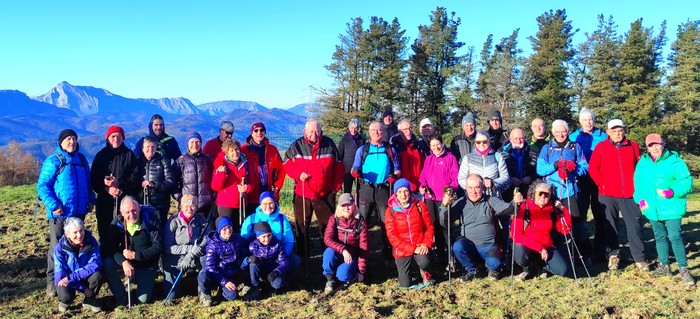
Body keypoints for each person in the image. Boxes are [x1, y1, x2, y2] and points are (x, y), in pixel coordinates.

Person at [37, 129, 95, 297]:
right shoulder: (54, 161)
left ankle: (75, 281)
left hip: (78, 214)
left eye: (74, 139)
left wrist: (91, 200)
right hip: (60, 215)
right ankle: (52, 284)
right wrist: (54, 205)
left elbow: (88, 183)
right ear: (61, 142)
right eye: (69, 139)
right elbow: (42, 186)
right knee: (57, 248)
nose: (72, 142)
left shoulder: (81, 160)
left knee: (78, 247)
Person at [634, 134, 694, 285]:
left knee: (675, 237)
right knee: (659, 237)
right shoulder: (643, 163)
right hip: (652, 208)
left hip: (672, 206)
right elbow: (638, 184)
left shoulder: (675, 161)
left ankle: (683, 269)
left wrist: (672, 191)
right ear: (646, 148)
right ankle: (664, 266)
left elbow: (687, 182)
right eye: (650, 145)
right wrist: (640, 200)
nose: (654, 147)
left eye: (657, 144)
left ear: (663, 144)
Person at [589, 119, 649, 271]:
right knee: (610, 227)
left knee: (634, 226)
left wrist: (638, 186)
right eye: (614, 130)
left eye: (620, 130)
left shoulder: (633, 146)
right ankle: (613, 255)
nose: (617, 133)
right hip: (607, 194)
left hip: (629, 194)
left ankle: (639, 258)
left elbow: (640, 167)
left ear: (624, 130)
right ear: (608, 132)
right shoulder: (601, 147)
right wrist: (601, 184)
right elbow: (593, 168)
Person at [443, 174, 523, 281]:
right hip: (468, 244)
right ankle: (473, 270)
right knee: (457, 247)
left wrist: (515, 203)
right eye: (470, 188)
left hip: (488, 245)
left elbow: (506, 209)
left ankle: (492, 269)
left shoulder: (490, 200)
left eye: (477, 187)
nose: (473, 191)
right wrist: (445, 206)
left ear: (483, 188)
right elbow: (444, 222)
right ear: (465, 188)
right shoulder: (460, 203)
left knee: (495, 263)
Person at [283, 119, 344, 258]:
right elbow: (286, 164)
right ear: (305, 131)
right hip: (303, 193)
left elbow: (339, 166)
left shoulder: (329, 144)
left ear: (321, 131)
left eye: (317, 131)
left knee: (327, 226)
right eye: (311, 131)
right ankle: (303, 255)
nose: (314, 134)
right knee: (301, 225)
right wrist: (298, 174)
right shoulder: (297, 146)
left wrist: (335, 187)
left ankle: (328, 254)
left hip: (325, 193)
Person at [536, 119, 593, 265]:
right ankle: (557, 255)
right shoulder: (547, 148)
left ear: (568, 132)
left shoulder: (575, 147)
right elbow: (540, 169)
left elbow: (585, 167)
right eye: (557, 131)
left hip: (570, 191)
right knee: (553, 225)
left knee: (576, 223)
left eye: (563, 131)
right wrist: (556, 165)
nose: (561, 134)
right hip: (553, 192)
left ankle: (583, 254)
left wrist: (573, 169)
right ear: (553, 133)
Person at [351, 122, 400, 265]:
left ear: (383, 132)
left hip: (384, 189)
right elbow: (355, 167)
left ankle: (388, 254)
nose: (376, 133)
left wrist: (394, 176)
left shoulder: (390, 150)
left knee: (386, 222)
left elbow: (397, 169)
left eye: (379, 130)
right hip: (365, 189)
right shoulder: (363, 149)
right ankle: (362, 255)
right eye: (373, 130)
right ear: (369, 132)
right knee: (362, 222)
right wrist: (355, 172)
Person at [102, 196, 161, 305]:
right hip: (126, 262)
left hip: (145, 263)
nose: (131, 215)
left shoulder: (151, 220)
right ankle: (121, 296)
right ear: (121, 212)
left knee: (142, 300)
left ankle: (140, 279)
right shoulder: (117, 224)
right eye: (127, 212)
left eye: (134, 210)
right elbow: (111, 248)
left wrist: (136, 255)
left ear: (139, 208)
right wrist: (123, 261)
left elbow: (158, 246)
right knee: (107, 263)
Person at [569, 108, 608, 260]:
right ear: (580, 122)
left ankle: (600, 249)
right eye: (585, 120)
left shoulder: (603, 136)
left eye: (590, 119)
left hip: (599, 179)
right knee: (581, 215)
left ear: (594, 120)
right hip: (582, 179)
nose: (588, 122)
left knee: (600, 215)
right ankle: (583, 249)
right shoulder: (574, 136)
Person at [90, 125, 140, 245]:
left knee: (124, 234)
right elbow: (93, 179)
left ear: (123, 138)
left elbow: (136, 177)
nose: (116, 139)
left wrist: (120, 184)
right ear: (107, 138)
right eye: (113, 136)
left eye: (119, 136)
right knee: (105, 233)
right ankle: (106, 260)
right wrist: (106, 188)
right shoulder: (100, 156)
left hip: (125, 203)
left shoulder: (130, 155)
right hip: (104, 202)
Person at [511, 182, 571, 281]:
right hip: (528, 245)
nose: (543, 197)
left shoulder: (552, 210)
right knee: (519, 252)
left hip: (546, 246)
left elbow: (565, 230)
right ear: (533, 193)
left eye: (547, 194)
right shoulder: (523, 207)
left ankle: (541, 265)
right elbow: (516, 235)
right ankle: (527, 267)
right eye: (540, 193)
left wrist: (563, 209)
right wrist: (539, 248)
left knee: (563, 269)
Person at [385, 179, 435, 289]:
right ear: (395, 194)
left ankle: (424, 270)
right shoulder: (390, 211)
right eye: (400, 192)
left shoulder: (420, 205)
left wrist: (426, 244)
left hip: (420, 245)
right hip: (402, 250)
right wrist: (412, 249)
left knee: (424, 261)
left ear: (410, 192)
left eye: (406, 191)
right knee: (405, 284)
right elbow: (392, 237)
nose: (403, 195)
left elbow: (429, 227)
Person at [418, 133, 459, 261]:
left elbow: (455, 178)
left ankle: (450, 254)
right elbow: (423, 176)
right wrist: (422, 185)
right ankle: (440, 253)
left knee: (445, 226)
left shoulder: (450, 158)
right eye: (433, 145)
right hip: (430, 197)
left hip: (444, 198)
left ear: (442, 143)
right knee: (433, 225)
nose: (436, 147)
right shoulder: (429, 159)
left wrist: (449, 191)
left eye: (438, 144)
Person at [162, 194, 209, 299]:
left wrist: (191, 254)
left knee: (206, 260)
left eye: (193, 206)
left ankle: (204, 292)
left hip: (195, 256)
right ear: (181, 207)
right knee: (171, 296)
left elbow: (207, 239)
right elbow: (168, 248)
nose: (190, 209)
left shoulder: (201, 220)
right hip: (175, 259)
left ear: (196, 207)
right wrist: (190, 249)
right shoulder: (172, 222)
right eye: (186, 206)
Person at [241, 192, 301, 273]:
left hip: (277, 253)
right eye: (265, 204)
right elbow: (243, 240)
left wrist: (281, 255)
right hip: (257, 255)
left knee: (295, 261)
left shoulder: (282, 219)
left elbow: (289, 241)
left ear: (275, 203)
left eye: (270, 203)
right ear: (260, 205)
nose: (268, 207)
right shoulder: (251, 219)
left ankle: (282, 278)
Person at [52, 217, 102, 313]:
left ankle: (89, 300)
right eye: (75, 232)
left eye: (81, 231)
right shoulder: (59, 249)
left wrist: (72, 277)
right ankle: (65, 301)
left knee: (97, 275)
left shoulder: (91, 241)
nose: (79, 235)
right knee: (65, 295)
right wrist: (83, 289)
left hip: (81, 276)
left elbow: (95, 264)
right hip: (69, 280)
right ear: (67, 234)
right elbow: (60, 276)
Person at [322, 193, 368, 292]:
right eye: (343, 205)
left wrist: (361, 271)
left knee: (343, 276)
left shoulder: (361, 223)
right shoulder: (334, 219)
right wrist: (343, 250)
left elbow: (364, 248)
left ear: (354, 206)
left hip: (352, 257)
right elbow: (327, 239)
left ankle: (350, 272)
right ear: (339, 207)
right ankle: (329, 279)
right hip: (338, 253)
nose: (346, 208)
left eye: (349, 205)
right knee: (328, 252)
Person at [198, 217, 245, 306]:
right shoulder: (213, 244)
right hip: (216, 274)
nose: (228, 230)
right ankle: (205, 293)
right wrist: (224, 281)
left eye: (229, 227)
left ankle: (222, 292)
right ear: (219, 230)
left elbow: (246, 247)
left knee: (232, 296)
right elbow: (210, 266)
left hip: (231, 272)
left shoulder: (237, 239)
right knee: (203, 275)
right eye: (224, 228)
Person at [240, 121, 285, 214]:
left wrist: (277, 186)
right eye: (255, 131)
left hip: (270, 193)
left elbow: (282, 169)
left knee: (271, 221)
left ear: (265, 132)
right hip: (251, 195)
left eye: (261, 130)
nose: (259, 133)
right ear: (251, 133)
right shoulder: (243, 150)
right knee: (254, 223)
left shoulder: (272, 149)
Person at [242, 221, 290, 300]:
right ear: (258, 237)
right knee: (253, 264)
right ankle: (255, 288)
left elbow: (285, 262)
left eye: (269, 235)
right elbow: (243, 265)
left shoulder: (277, 245)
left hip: (273, 271)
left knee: (278, 283)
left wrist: (277, 271)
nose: (267, 239)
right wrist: (248, 260)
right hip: (259, 270)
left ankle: (273, 287)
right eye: (263, 236)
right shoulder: (252, 247)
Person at [211, 138, 250, 231]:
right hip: (226, 204)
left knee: (239, 231)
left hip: (242, 203)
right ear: (226, 153)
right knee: (226, 231)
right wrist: (221, 173)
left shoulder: (245, 163)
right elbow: (215, 187)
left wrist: (247, 188)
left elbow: (252, 181)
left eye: (236, 149)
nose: (235, 152)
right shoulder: (221, 165)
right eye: (231, 150)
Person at [137, 135, 176, 226]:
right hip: (141, 204)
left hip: (160, 206)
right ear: (143, 148)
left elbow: (170, 181)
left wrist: (154, 184)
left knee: (159, 233)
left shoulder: (163, 161)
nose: (150, 149)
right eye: (148, 146)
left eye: (153, 147)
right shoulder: (137, 162)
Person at [457, 132, 510, 198]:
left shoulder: (498, 156)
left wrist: (493, 183)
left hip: (493, 198)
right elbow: (461, 178)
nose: (481, 144)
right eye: (478, 142)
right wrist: (472, 186)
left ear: (489, 142)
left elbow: (506, 178)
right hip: (473, 198)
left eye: (484, 141)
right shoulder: (467, 158)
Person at [176, 131, 214, 217]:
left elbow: (214, 180)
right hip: (188, 207)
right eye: (192, 142)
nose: (195, 145)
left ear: (201, 143)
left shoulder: (208, 160)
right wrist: (180, 198)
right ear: (187, 144)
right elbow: (174, 183)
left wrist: (212, 197)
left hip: (206, 207)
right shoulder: (181, 161)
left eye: (197, 142)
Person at [390, 119, 427, 192]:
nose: (409, 131)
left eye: (410, 128)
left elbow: (424, 166)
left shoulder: (418, 145)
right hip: (402, 189)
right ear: (399, 131)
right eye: (405, 129)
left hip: (418, 187)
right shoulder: (394, 146)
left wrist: (423, 183)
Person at [502, 128, 538, 202]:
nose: (519, 141)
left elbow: (538, 171)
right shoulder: (502, 153)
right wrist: (510, 179)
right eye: (516, 138)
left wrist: (531, 177)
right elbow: (499, 172)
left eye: (521, 138)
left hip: (528, 188)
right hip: (509, 189)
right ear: (510, 139)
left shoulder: (532, 152)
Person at [337, 119, 365, 193]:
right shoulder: (344, 140)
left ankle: (359, 204)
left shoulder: (361, 139)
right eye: (352, 128)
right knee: (347, 190)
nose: (353, 130)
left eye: (355, 128)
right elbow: (340, 154)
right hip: (347, 170)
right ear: (349, 128)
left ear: (358, 128)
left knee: (360, 190)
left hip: (359, 169)